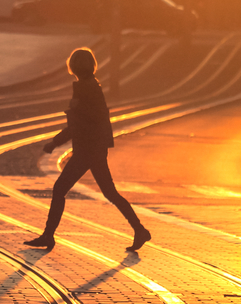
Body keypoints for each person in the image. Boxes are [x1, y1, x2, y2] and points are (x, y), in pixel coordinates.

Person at [24, 48, 150, 252]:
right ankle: (140, 230)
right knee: (109, 193)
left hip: (87, 150)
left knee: (60, 189)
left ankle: (48, 236)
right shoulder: (92, 85)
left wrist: (55, 142)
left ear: (73, 67)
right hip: (94, 149)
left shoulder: (84, 88)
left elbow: (78, 124)